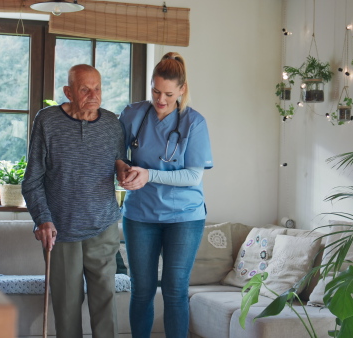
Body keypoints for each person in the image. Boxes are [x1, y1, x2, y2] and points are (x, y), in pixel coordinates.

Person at [22, 64, 127, 338]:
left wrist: (126, 173)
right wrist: (43, 219)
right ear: (68, 92)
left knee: (105, 305)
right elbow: (32, 180)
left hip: (103, 226)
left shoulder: (113, 124)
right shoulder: (47, 121)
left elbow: (120, 166)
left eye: (97, 88)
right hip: (62, 230)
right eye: (84, 89)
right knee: (67, 309)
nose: (93, 95)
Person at [117, 52, 214, 338]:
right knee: (142, 289)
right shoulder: (133, 114)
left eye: (169, 94)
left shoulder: (194, 123)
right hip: (139, 215)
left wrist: (148, 174)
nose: (161, 99)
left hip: (184, 216)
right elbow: (117, 154)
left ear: (182, 90)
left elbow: (193, 176)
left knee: (174, 290)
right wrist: (122, 167)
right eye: (156, 91)